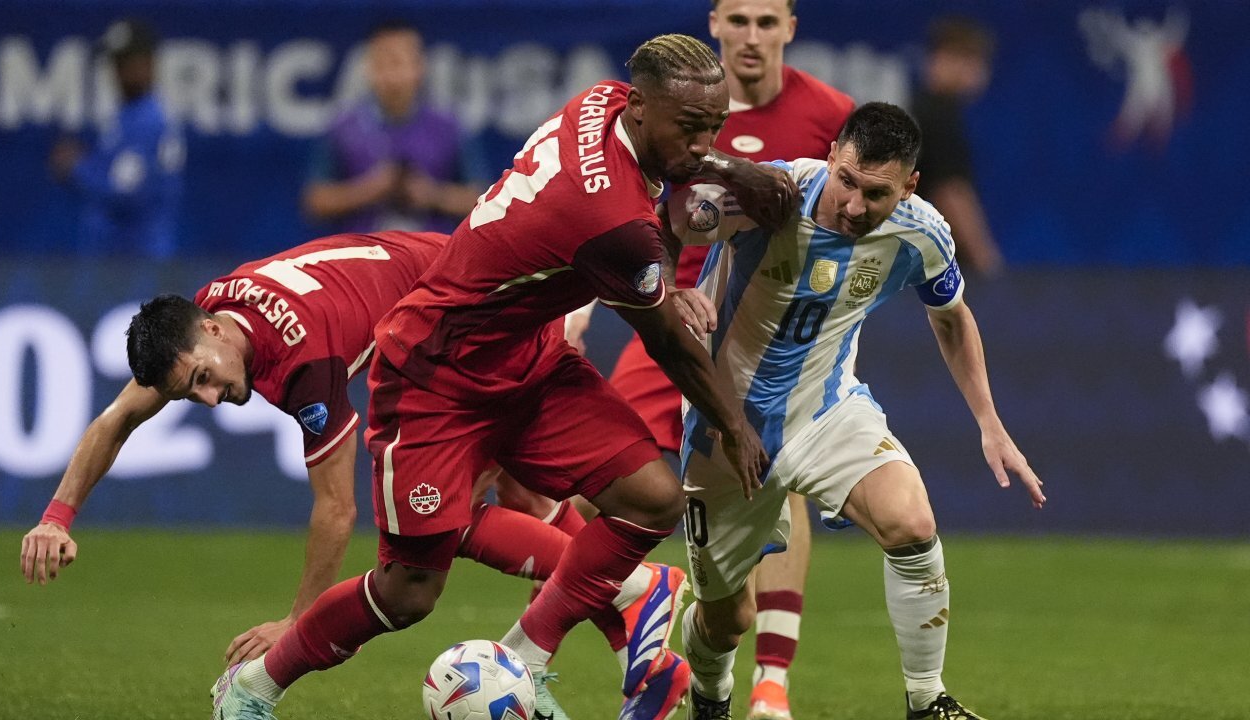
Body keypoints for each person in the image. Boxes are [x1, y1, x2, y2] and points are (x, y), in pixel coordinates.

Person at [210, 34, 800, 720]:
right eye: (690, 126)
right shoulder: (607, 217)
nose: (702, 142)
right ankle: (253, 687)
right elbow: (669, 338)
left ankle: (526, 656)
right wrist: (733, 425)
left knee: (650, 498)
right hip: (436, 375)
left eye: (715, 126)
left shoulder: (603, 101)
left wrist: (725, 167)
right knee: (408, 592)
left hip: (528, 358)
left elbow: (675, 167)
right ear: (640, 107)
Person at [18, 231, 687, 716]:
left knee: (424, 556)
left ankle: (629, 592)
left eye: (203, 381)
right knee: (486, 508)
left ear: (215, 333)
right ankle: (625, 612)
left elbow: (335, 509)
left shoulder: (304, 361)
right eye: (190, 392)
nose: (208, 400)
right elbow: (116, 419)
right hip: (463, 288)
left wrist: (298, 620)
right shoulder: (211, 313)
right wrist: (58, 515)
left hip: (461, 335)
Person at [664, 103, 1045, 720]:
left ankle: (927, 701)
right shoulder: (771, 197)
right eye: (846, 180)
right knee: (725, 618)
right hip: (724, 424)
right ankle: (710, 695)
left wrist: (990, 423)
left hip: (827, 410)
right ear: (833, 152)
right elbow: (669, 216)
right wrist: (667, 284)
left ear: (909, 187)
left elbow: (951, 319)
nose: (853, 205)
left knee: (912, 522)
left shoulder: (922, 231)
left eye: (877, 193)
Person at [591, 4, 853, 717]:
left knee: (779, 472)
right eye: (738, 19)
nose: (751, 36)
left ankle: (772, 679)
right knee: (599, 478)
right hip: (670, 315)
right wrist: (657, 291)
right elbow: (628, 201)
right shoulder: (674, 105)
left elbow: (855, 227)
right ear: (714, 23)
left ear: (790, 28)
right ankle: (654, 627)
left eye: (767, 21)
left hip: (766, 331)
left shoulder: (831, 116)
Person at [301, 20, 482, 235]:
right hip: (361, 254)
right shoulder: (343, 127)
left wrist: (432, 195)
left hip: (432, 254)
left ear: (419, 66)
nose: (391, 76)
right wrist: (370, 189)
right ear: (368, 68)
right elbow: (315, 200)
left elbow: (480, 199)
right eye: (381, 64)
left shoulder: (449, 126)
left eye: (398, 63)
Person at [49, 18, 184, 258]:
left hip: (138, 261)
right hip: (115, 260)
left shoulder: (150, 120)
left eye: (126, 62)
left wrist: (76, 167)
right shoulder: (127, 115)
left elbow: (125, 193)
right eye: (115, 63)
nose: (118, 72)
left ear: (149, 62)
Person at [910, 17, 1003, 278]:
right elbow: (951, 193)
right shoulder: (938, 115)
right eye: (976, 62)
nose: (982, 73)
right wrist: (985, 258)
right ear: (947, 58)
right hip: (933, 266)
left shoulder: (916, 108)